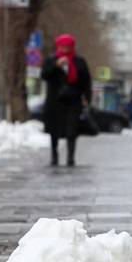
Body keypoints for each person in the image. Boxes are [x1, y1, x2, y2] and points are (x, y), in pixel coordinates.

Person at [41, 34, 92, 167]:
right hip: (55, 101)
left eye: (67, 46)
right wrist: (56, 65)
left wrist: (87, 97)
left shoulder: (79, 62)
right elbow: (44, 75)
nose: (65, 49)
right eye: (62, 46)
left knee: (72, 130)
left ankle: (70, 157)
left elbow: (86, 81)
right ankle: (54, 156)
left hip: (73, 101)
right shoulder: (52, 60)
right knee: (54, 131)